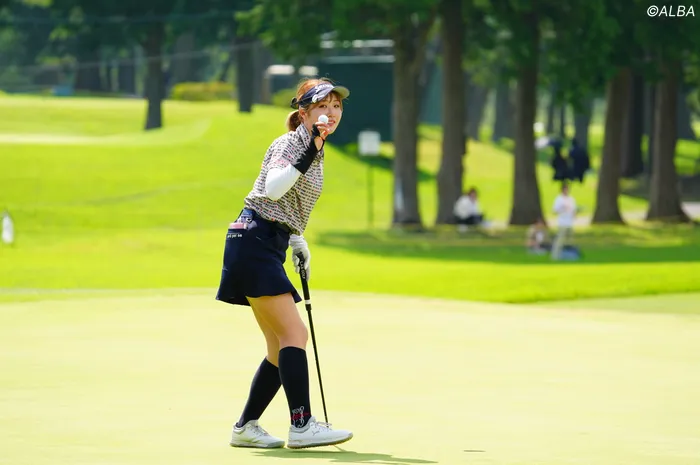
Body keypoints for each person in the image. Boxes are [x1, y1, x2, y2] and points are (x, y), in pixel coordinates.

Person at [215, 78, 353, 449]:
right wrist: (309, 148)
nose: (331, 113)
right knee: (295, 335)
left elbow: (286, 203)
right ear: (304, 113)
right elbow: (273, 188)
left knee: (279, 347)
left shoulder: (313, 147)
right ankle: (302, 425)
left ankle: (245, 427)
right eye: (322, 106)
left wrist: (296, 240)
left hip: (264, 241)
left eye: (336, 106)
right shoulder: (291, 143)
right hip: (255, 240)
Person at [551, 183, 577, 260]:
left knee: (569, 240)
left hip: (570, 222)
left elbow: (573, 210)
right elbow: (555, 210)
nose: (566, 191)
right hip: (562, 222)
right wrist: (562, 208)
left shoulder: (571, 199)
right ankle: (555, 255)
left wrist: (574, 215)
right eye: (565, 189)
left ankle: (570, 254)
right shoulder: (559, 199)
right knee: (560, 239)